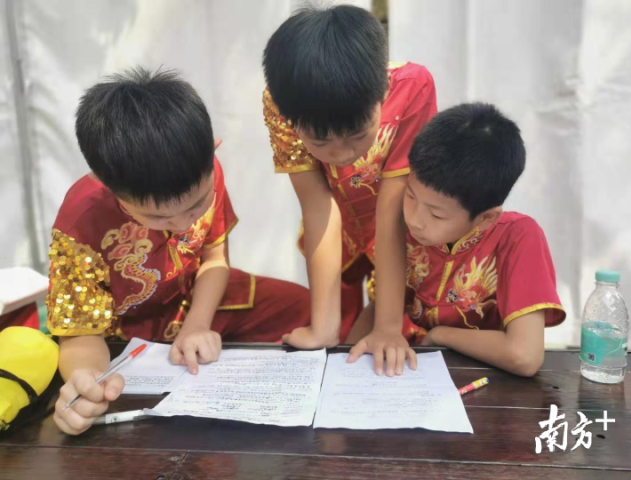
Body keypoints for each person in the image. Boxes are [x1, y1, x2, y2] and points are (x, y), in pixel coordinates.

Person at [49, 68, 310, 434]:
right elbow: (80, 332)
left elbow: (215, 258)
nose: (184, 223)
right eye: (158, 217)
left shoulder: (203, 168)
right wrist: (87, 381)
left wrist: (197, 325)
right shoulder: (82, 221)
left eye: (197, 205)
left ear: (212, 149)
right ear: (107, 185)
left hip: (196, 299)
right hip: (124, 334)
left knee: (304, 307)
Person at [262, 4, 437, 350]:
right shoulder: (284, 103)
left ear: (383, 91)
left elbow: (392, 209)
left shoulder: (412, 87)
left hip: (404, 229)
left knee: (402, 334)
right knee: (340, 338)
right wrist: (322, 329)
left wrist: (387, 328)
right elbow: (317, 204)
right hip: (338, 236)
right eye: (320, 142)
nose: (341, 155)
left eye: (358, 135)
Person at [350, 102, 566, 377]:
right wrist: (343, 358)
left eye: (436, 214)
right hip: (412, 371)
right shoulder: (400, 223)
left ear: (486, 218)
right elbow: (380, 307)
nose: (415, 220)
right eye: (410, 196)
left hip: (488, 384)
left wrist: (441, 335)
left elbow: (524, 356)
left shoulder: (518, 237)